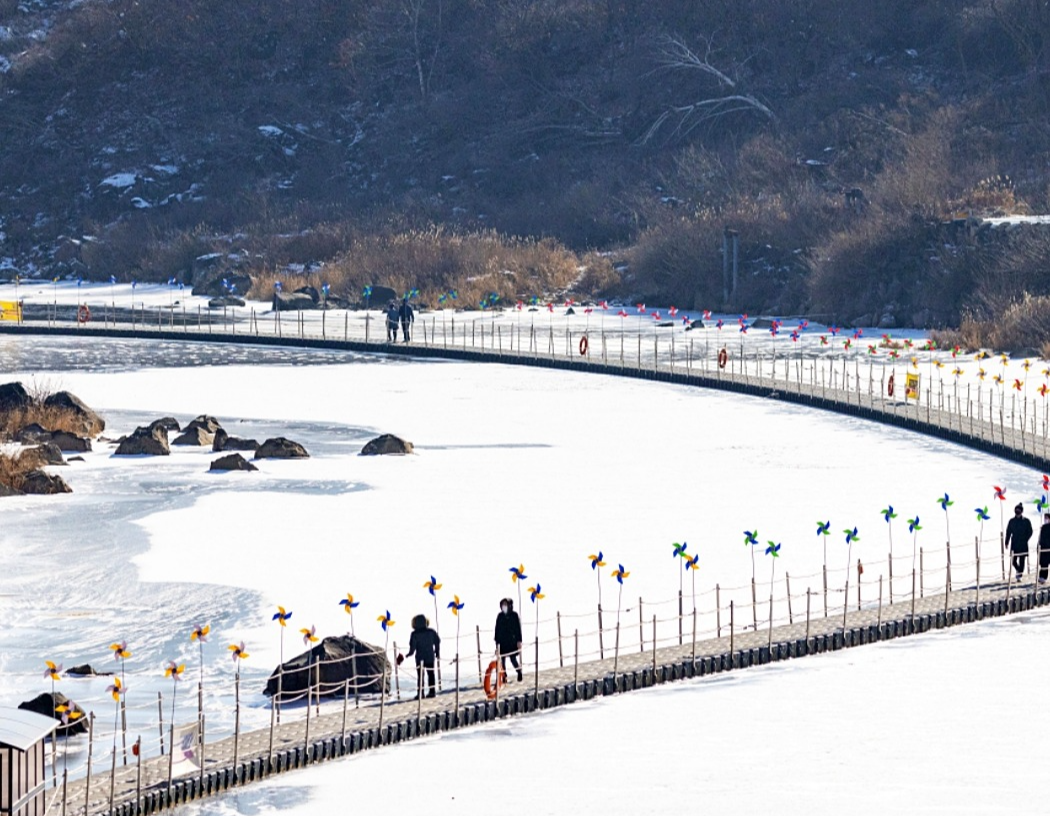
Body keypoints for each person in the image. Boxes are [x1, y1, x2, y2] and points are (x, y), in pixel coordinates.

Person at [398, 614, 440, 699]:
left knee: (420, 676)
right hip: (430, 657)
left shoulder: (414, 634)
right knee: (431, 674)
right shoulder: (431, 631)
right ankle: (432, 692)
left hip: (420, 658)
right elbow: (437, 641)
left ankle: (420, 693)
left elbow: (412, 647)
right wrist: (437, 651)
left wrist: (408, 654)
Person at [494, 598, 523, 682]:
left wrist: (519, 640)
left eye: (506, 605)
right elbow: (497, 629)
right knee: (502, 661)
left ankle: (519, 672)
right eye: (503, 605)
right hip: (502, 642)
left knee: (513, 659)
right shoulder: (500, 616)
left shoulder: (514, 615)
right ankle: (504, 676)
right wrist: (496, 642)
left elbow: (518, 629)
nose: (504, 607)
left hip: (511, 642)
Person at [1005, 502, 1033, 582]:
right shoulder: (1012, 521)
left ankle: (1019, 575)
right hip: (1014, 543)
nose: (1017, 511)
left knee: (1022, 560)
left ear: (1021, 511)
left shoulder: (1026, 521)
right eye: (1016, 510)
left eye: (1018, 510)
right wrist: (1006, 542)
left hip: (1023, 544)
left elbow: (1030, 531)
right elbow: (1008, 532)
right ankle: (1018, 570)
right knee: (1013, 560)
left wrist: (1025, 539)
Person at [1038, 513, 1050, 584]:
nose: (1045, 519)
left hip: (1048, 548)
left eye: (1047, 518)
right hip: (1042, 547)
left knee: (1046, 563)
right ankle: (1041, 577)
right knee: (1043, 563)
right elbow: (1040, 538)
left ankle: (1044, 577)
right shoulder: (1043, 527)